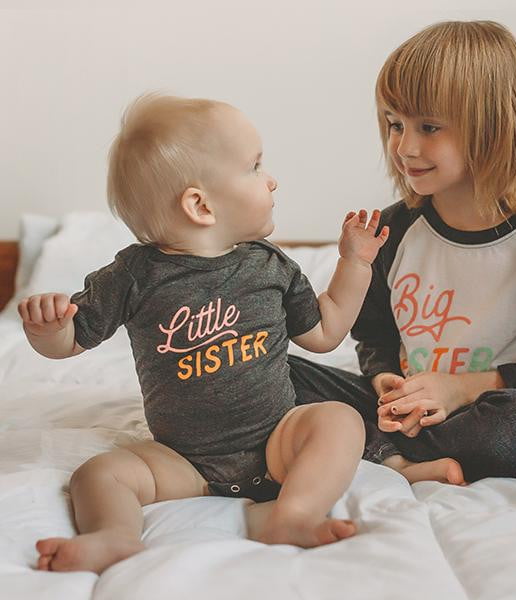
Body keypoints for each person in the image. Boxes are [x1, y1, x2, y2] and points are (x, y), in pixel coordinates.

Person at [17, 94, 390, 573]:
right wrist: (47, 329)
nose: (271, 179)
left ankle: (293, 513)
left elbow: (325, 332)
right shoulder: (134, 275)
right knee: (99, 473)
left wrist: (355, 263)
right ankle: (113, 535)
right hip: (184, 461)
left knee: (340, 420)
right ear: (200, 205)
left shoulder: (269, 266)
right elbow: (71, 340)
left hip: (278, 441)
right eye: (255, 167)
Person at [288, 20, 516, 485]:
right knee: (267, 371)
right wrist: (385, 380)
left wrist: (458, 389)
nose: (405, 146)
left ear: (492, 129)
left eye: (429, 127)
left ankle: (363, 446)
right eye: (395, 124)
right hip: (394, 409)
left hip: (481, 412)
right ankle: (395, 456)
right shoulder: (393, 230)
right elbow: (374, 335)